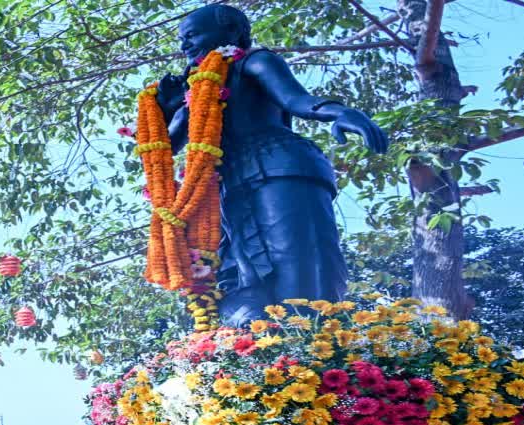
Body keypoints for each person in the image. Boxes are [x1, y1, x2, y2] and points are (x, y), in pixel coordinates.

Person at [157, 5, 387, 326]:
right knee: (238, 281)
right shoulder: (197, 89)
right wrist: (165, 111)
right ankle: (261, 357)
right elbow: (165, 147)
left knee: (295, 268)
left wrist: (339, 112)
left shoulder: (253, 62)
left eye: (193, 35)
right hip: (225, 184)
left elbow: (296, 100)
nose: (185, 45)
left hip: (277, 166)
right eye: (182, 39)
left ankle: (314, 349)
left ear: (232, 32)